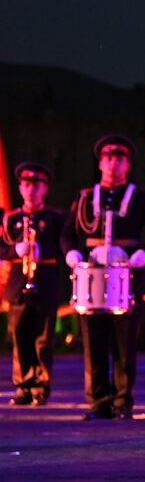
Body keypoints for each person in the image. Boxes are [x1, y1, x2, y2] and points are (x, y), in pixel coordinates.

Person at [60, 135, 145, 420]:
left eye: (119, 159)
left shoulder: (140, 197)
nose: (113, 163)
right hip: (92, 273)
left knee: (124, 342)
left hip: (125, 272)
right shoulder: (85, 197)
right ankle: (98, 401)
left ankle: (122, 400)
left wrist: (144, 254)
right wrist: (71, 254)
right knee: (93, 341)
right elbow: (68, 233)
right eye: (108, 158)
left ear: (128, 164)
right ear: (100, 163)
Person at [0, 162, 66, 405]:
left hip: (46, 281)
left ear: (45, 189)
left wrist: (42, 249)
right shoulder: (11, 219)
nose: (31, 190)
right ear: (20, 187)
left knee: (43, 338)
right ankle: (23, 386)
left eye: (36, 186)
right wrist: (14, 250)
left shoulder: (56, 218)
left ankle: (41, 386)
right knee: (20, 337)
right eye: (27, 185)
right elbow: (1, 247)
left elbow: (65, 247)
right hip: (18, 283)